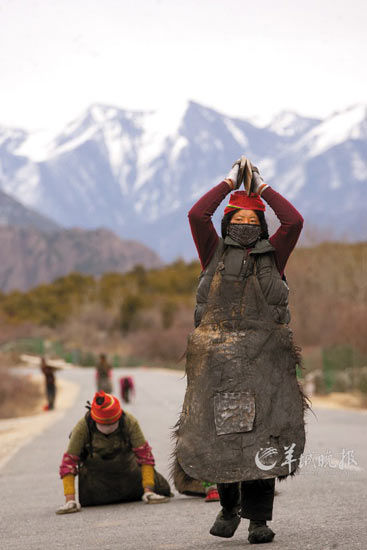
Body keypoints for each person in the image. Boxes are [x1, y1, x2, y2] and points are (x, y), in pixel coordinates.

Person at [173, 158, 307, 544]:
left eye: (253, 221)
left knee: (266, 439)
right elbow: (197, 215)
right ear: (226, 222)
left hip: (266, 364)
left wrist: (262, 189)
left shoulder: (275, 254)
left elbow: (294, 222)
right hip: (220, 365)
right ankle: (229, 506)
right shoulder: (211, 251)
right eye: (237, 219)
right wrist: (228, 183)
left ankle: (259, 521)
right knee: (223, 437)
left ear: (263, 226)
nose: (245, 226)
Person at [56, 390, 171, 514]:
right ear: (95, 420)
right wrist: (70, 500)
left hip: (129, 474)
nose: (108, 428)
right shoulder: (83, 427)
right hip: (97, 482)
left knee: (163, 488)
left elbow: (145, 456)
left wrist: (149, 491)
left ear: (119, 417)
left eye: (112, 424)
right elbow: (69, 462)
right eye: (103, 425)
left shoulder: (129, 422)